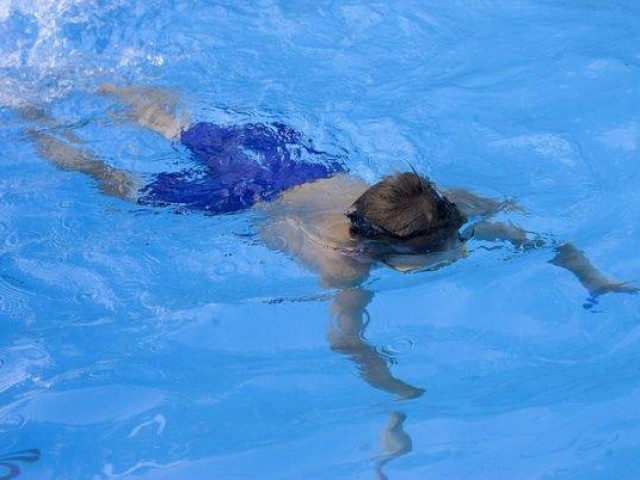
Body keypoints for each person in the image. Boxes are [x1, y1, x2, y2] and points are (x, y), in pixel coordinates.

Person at [27, 85, 636, 400]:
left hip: (296, 162)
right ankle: (31, 120)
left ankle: (77, 83)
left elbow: (544, 241)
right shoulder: (345, 262)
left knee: (170, 121)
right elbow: (345, 338)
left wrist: (595, 278)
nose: (457, 249)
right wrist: (390, 387)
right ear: (389, 253)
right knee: (120, 185)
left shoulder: (449, 210)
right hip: (244, 194)